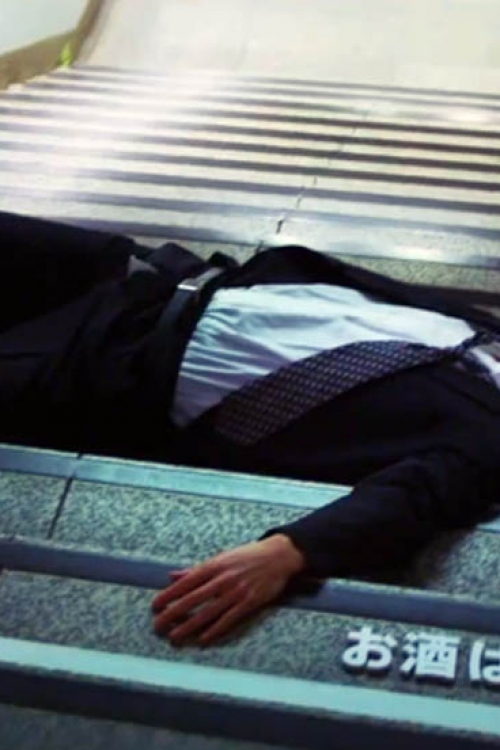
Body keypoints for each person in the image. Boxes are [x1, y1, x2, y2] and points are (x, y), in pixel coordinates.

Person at [1, 210, 500, 647]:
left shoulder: (486, 435)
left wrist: (291, 551)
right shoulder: (487, 334)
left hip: (115, 368)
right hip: (147, 274)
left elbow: (419, 495)